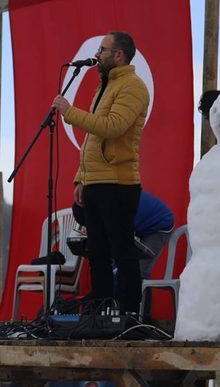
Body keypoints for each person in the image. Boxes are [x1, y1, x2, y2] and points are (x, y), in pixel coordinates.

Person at [52, 31, 149, 314]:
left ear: (119, 55)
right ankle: (101, 311)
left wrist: (70, 112)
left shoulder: (132, 86)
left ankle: (128, 313)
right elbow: (93, 139)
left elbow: (112, 127)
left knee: (121, 251)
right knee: (97, 252)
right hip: (96, 182)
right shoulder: (105, 85)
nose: (97, 53)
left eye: (103, 49)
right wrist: (81, 178)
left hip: (118, 184)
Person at [72, 190, 174, 280]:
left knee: (140, 270)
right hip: (142, 221)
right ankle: (116, 300)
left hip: (160, 225)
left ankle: (144, 302)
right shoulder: (102, 200)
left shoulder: (115, 209)